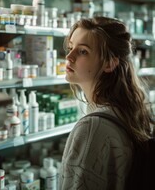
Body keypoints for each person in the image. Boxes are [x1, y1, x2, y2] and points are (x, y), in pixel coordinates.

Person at [59, 16, 154, 190]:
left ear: (110, 64)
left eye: (83, 51)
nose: (69, 56)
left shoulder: (91, 128)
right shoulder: (128, 111)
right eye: (71, 47)